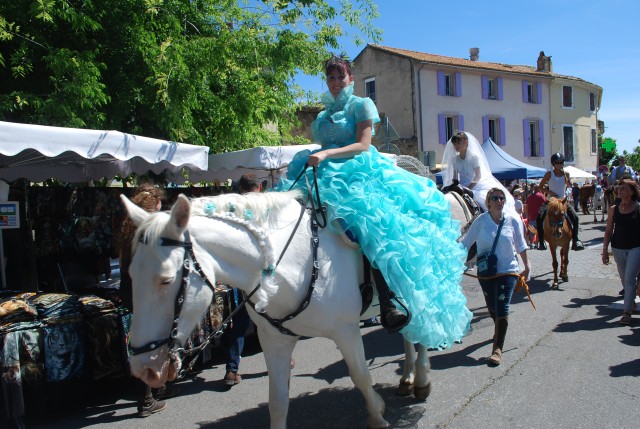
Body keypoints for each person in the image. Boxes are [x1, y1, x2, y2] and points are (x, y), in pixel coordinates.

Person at [278, 55, 471, 348]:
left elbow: (362, 144)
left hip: (358, 170)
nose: (335, 83)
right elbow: (324, 145)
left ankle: (388, 300)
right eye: (330, 78)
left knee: (370, 225)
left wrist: (327, 154)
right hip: (327, 171)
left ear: (350, 79)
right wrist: (321, 155)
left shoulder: (360, 105)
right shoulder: (323, 114)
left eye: (340, 77)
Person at [119, 184, 174, 417]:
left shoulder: (126, 227)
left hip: (130, 291)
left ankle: (155, 388)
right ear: (157, 205)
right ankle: (147, 398)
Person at [461, 188, 530, 366]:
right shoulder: (481, 221)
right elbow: (466, 244)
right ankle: (499, 328)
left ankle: (497, 349)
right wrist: (452, 260)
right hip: (486, 273)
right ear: (488, 203)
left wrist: (527, 266)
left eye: (502, 198)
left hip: (508, 270)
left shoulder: (513, 220)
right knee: (492, 307)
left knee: (502, 306)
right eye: (495, 198)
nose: (500, 201)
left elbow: (521, 245)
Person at [223, 173, 261, 387]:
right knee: (270, 319)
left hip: (240, 273)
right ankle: (282, 357)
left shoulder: (232, 208)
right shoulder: (263, 206)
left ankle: (231, 369)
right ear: (259, 187)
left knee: (242, 321)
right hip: (260, 272)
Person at [442, 131, 519, 216]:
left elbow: (478, 176)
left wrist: (468, 188)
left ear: (466, 142)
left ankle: (493, 218)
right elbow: (455, 177)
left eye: (458, 143)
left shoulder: (474, 157)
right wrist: (453, 185)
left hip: (476, 185)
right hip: (462, 185)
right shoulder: (455, 159)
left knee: (485, 201)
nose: (456, 146)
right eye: (455, 144)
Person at [601, 179, 640, 325]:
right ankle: (631, 302)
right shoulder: (613, 209)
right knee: (624, 279)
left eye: (623, 188)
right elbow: (609, 230)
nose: (619, 191)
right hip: (617, 248)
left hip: (636, 247)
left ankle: (627, 312)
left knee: (630, 278)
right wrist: (605, 250)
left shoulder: (638, 208)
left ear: (631, 191)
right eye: (619, 188)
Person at [536, 153, 585, 251]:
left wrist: (569, 182)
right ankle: (541, 241)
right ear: (553, 164)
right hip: (551, 201)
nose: (559, 164)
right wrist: (550, 192)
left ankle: (576, 240)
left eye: (561, 162)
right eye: (557, 163)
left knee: (575, 218)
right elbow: (540, 187)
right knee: (539, 218)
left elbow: (568, 185)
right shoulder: (549, 174)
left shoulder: (566, 174)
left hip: (562, 201)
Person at [525, 184, 546, 248]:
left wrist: (527, 215)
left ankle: (531, 244)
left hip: (531, 216)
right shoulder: (541, 196)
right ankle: (536, 244)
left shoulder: (529, 197)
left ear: (534, 189)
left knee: (532, 231)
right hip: (540, 216)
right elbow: (545, 204)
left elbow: (526, 206)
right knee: (539, 231)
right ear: (539, 189)